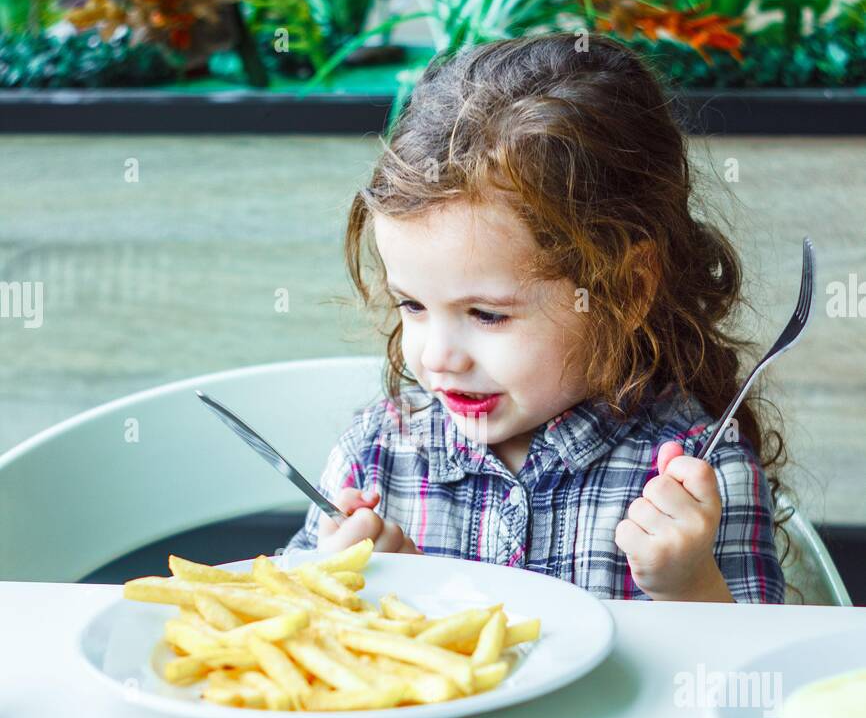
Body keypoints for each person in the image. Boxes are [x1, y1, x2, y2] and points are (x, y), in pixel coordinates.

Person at [284, 33, 786, 603]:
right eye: (412, 305)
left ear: (626, 287)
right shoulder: (374, 455)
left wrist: (691, 585)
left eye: (487, 314)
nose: (436, 356)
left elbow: (750, 684)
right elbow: (300, 634)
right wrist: (355, 593)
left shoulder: (697, 475)